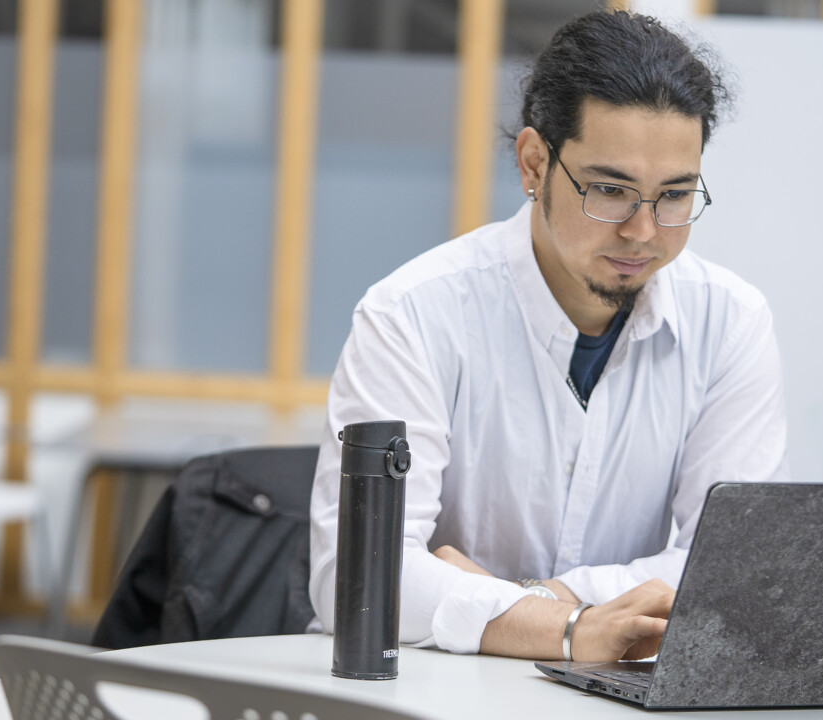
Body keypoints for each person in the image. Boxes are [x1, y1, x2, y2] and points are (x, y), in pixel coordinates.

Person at [308, 10, 789, 662]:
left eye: (674, 195)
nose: (643, 231)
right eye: (610, 190)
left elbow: (735, 572)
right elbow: (356, 578)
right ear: (535, 164)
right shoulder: (412, 316)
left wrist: (538, 601)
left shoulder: (731, 323)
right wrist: (569, 631)